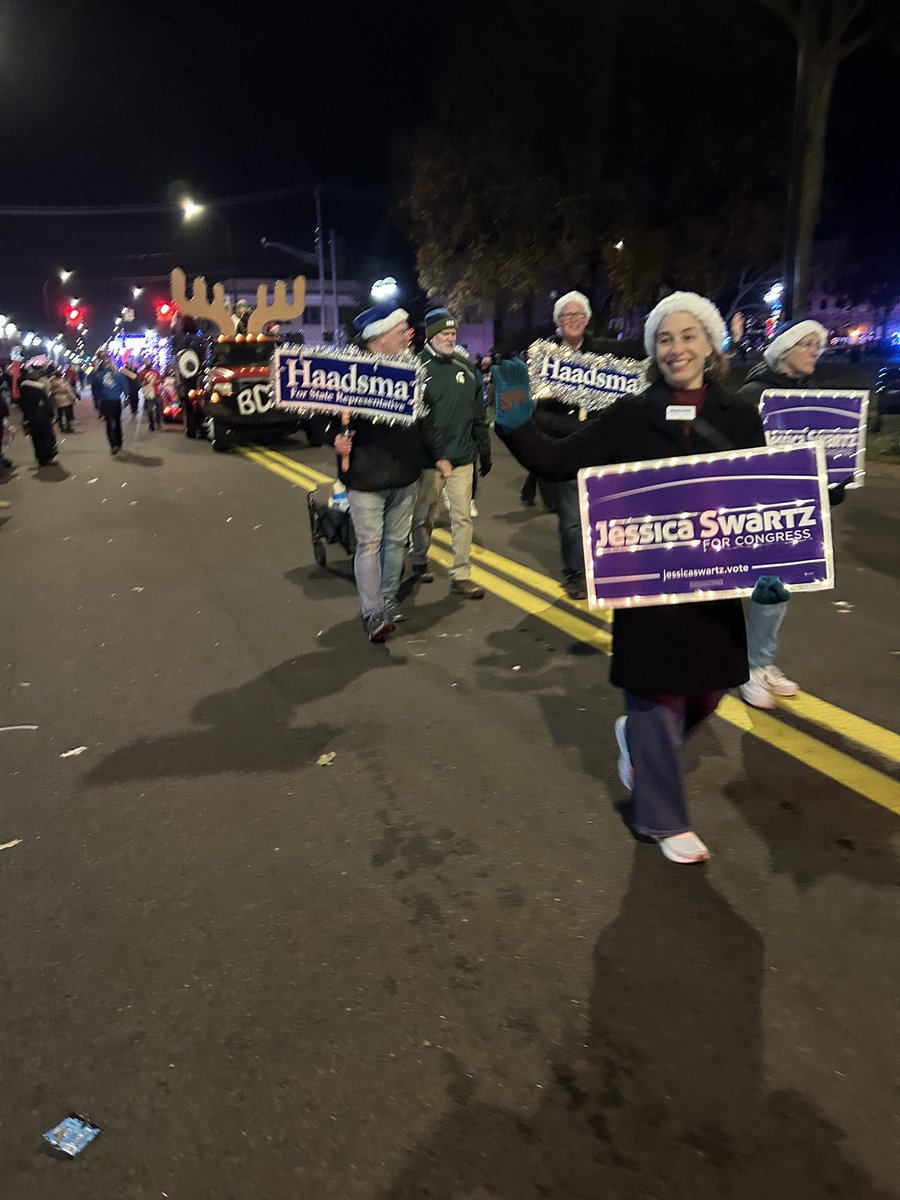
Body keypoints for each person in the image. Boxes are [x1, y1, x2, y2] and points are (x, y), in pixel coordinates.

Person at [495, 292, 767, 864]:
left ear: (710, 345)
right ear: (653, 351)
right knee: (656, 697)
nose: (676, 349)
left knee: (710, 688)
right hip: (646, 583)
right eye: (664, 339)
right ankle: (662, 818)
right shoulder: (630, 416)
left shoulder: (740, 416)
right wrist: (516, 422)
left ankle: (638, 743)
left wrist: (788, 548)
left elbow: (763, 494)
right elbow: (554, 460)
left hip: (715, 584)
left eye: (688, 336)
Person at [332, 302, 452, 643]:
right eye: (400, 332)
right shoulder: (347, 373)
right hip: (365, 477)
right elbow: (323, 416)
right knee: (369, 544)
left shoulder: (411, 370)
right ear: (378, 338)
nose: (407, 336)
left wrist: (439, 457)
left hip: (405, 475)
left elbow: (425, 420)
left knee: (396, 542)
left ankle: (387, 601)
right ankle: (372, 613)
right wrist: (334, 439)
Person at [735, 317, 839, 709]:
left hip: (795, 509)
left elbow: (826, 454)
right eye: (806, 344)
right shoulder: (753, 395)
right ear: (783, 351)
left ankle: (759, 660)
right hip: (756, 507)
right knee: (764, 587)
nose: (815, 351)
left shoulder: (814, 395)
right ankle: (750, 665)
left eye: (818, 345)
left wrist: (835, 483)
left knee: (776, 589)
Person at [525, 291, 645, 600]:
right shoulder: (545, 358)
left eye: (578, 315)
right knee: (572, 518)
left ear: (587, 319)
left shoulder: (603, 352)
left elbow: (638, 357)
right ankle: (575, 572)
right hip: (568, 448)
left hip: (602, 449)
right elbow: (537, 414)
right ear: (557, 321)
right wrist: (574, 429)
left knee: (606, 511)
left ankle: (606, 565)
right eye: (566, 315)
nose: (573, 320)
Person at [410, 308, 491, 600]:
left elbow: (478, 414)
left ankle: (461, 575)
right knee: (424, 515)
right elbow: (416, 420)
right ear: (431, 335)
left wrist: (484, 450)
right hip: (429, 460)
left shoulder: (465, 367)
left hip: (462, 457)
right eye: (444, 333)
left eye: (453, 333)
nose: (450, 338)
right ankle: (419, 557)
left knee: (462, 518)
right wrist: (435, 455)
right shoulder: (416, 367)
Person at [17, 355, 59, 466]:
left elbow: (22, 405)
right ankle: (48, 455)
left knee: (36, 438)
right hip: (42, 416)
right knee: (46, 436)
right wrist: (51, 415)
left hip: (31, 417)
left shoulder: (23, 389)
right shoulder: (40, 389)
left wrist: (26, 418)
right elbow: (47, 403)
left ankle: (40, 458)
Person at [90, 348, 127, 455]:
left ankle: (119, 441)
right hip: (106, 402)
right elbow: (95, 388)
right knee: (110, 423)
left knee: (117, 422)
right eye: (102, 358)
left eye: (106, 357)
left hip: (116, 400)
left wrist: (126, 395)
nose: (104, 360)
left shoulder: (116, 372)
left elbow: (123, 383)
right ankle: (113, 445)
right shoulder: (97, 374)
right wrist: (96, 400)